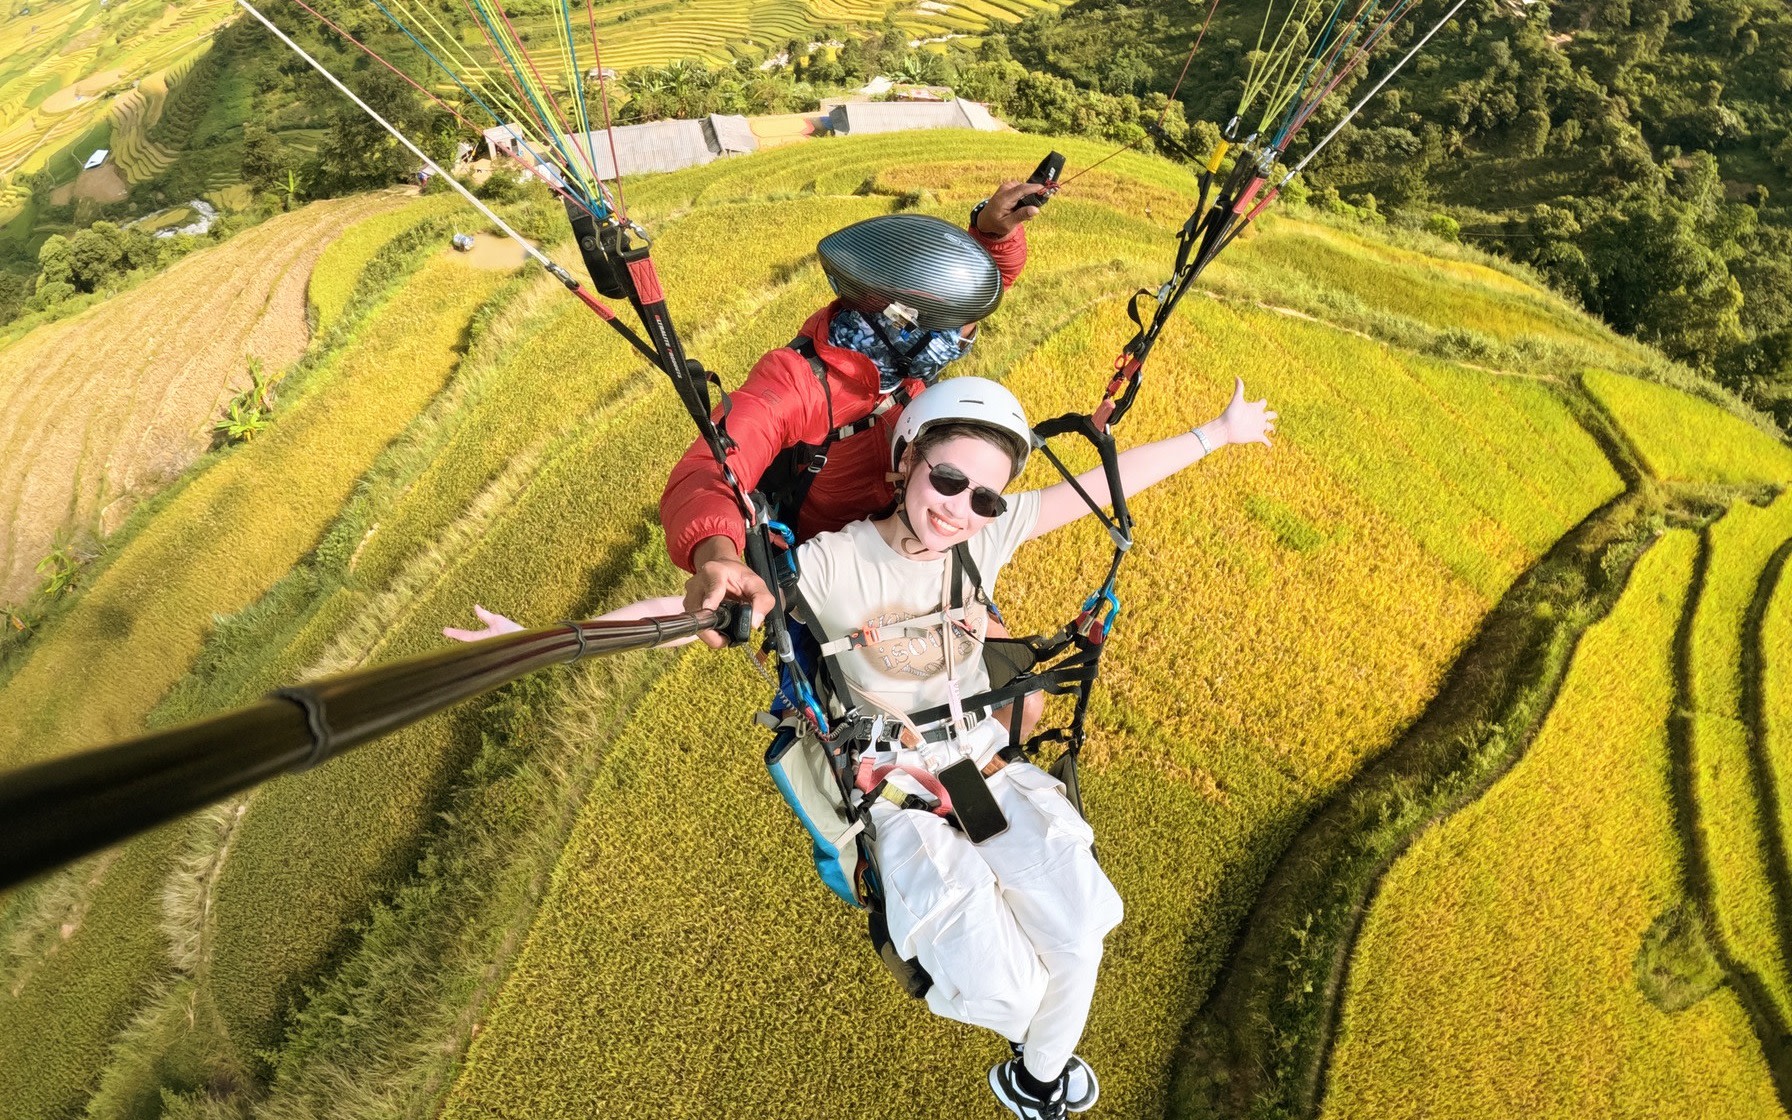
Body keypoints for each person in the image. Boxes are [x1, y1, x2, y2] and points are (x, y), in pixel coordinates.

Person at [447, 373, 1277, 1119]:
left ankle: (1037, 1082)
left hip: (977, 768)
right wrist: (547, 640)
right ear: (906, 465)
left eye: (984, 499)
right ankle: (1042, 1072)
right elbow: (700, 614)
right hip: (896, 789)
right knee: (1013, 987)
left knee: (1084, 927)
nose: (960, 509)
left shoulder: (984, 539)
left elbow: (1105, 483)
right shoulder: (835, 565)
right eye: (946, 481)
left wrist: (1217, 433)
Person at [659, 182, 1043, 649]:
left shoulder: (897, 358)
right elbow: (708, 469)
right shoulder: (796, 385)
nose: (961, 341)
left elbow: (966, 290)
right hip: (836, 563)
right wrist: (718, 554)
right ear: (902, 323)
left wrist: (991, 236)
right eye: (952, 331)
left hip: (911, 527)